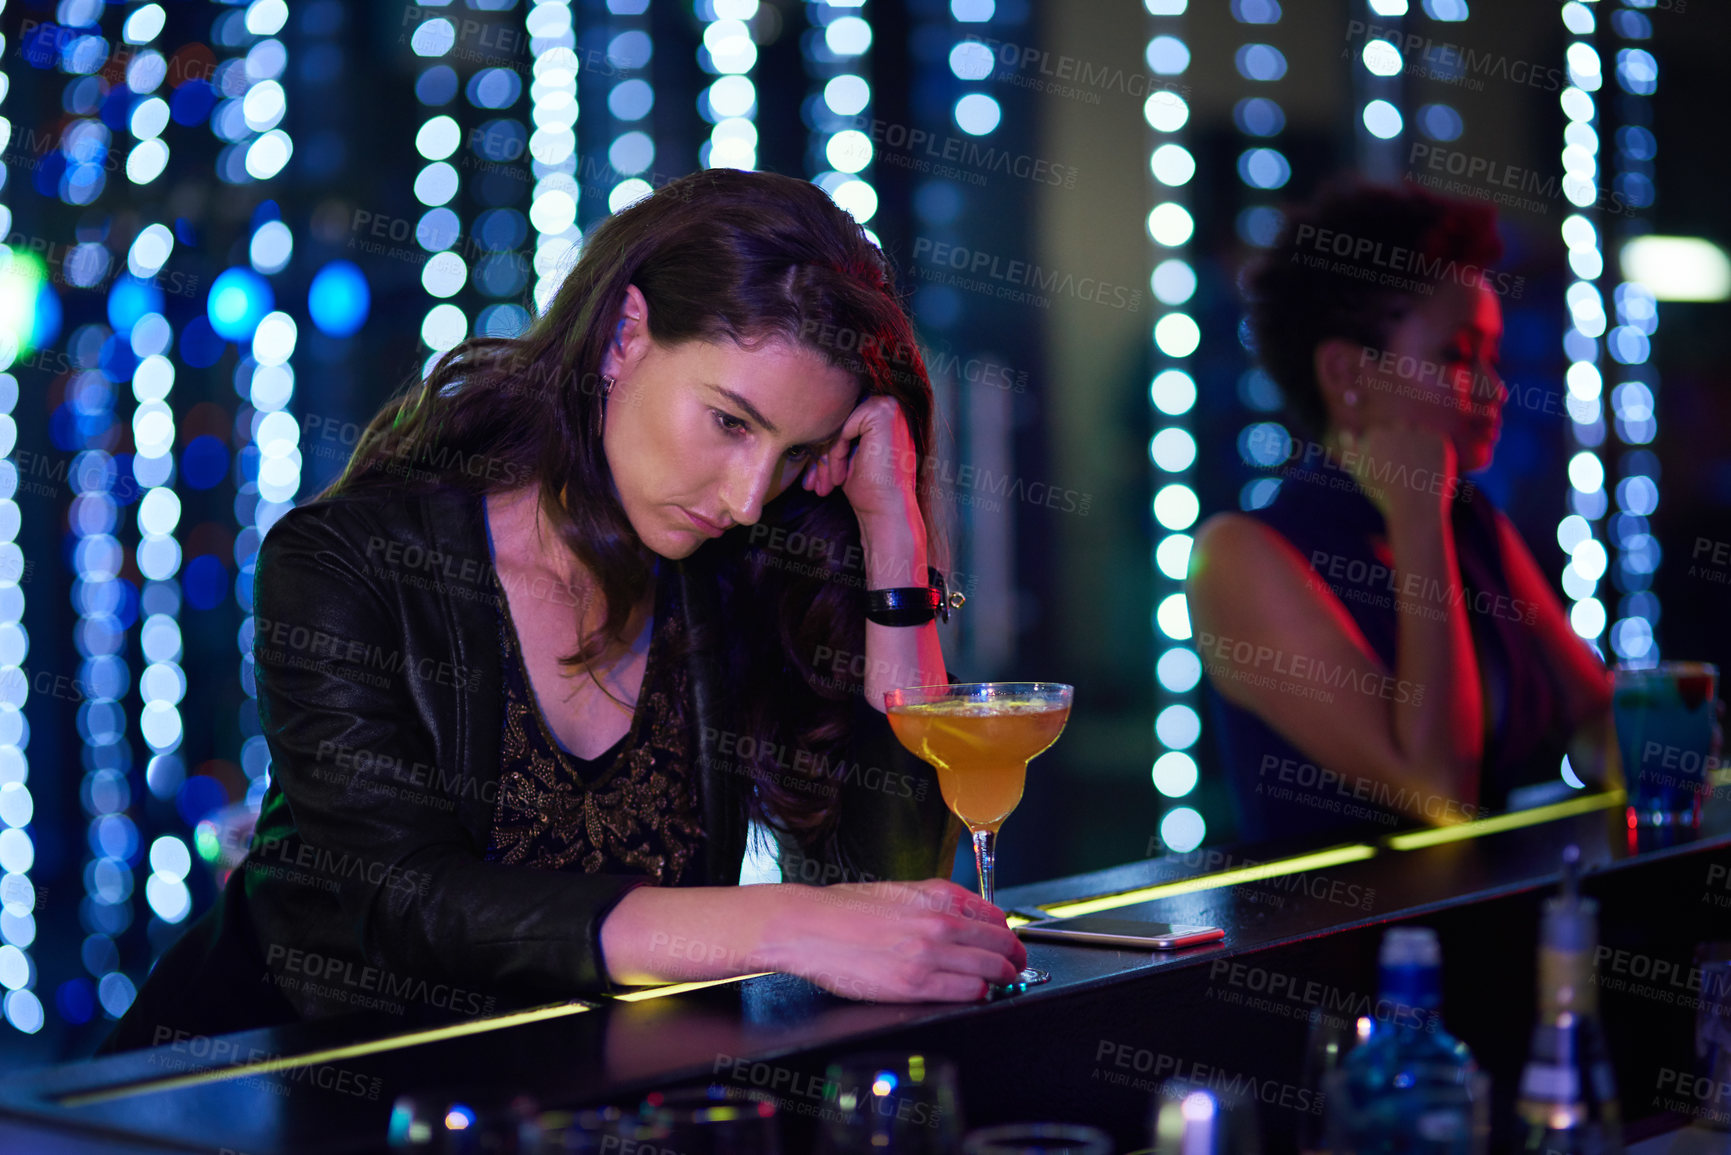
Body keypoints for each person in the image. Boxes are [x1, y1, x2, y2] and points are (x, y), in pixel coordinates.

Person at [103, 168, 1026, 1053]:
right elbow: (403, 905)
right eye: (731, 422)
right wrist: (783, 922)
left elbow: (886, 895)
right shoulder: (346, 562)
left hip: (573, 1105)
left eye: (795, 453)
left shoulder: (733, 568)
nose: (749, 496)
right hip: (265, 1094)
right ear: (625, 334)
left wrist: (891, 529)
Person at [1187, 180, 1615, 845]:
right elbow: (1439, 791)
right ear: (1346, 375)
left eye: (1491, 357)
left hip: (1514, 932)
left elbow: (1597, 720)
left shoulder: (1471, 521)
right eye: (1454, 354)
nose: (1490, 388)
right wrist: (1416, 521)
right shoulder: (1241, 553)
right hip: (1349, 945)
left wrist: (1641, 740)